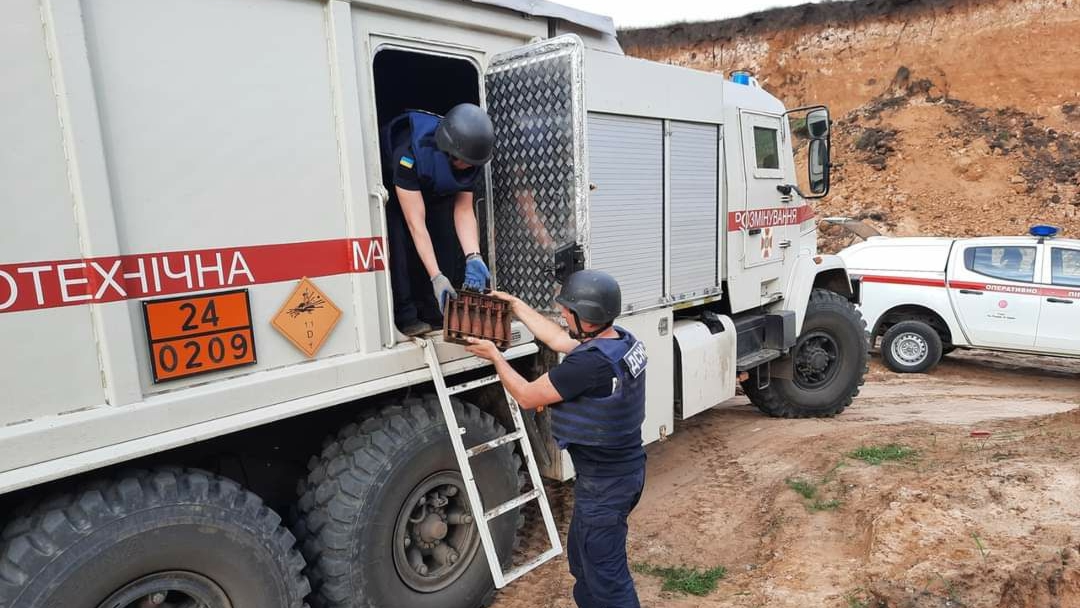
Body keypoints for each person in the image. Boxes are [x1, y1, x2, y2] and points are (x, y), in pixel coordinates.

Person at [465, 270, 647, 608]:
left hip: (606, 485)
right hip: (618, 475)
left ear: (587, 317)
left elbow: (527, 396)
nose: (562, 313)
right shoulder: (619, 341)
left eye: (568, 309)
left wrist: (496, 357)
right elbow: (558, 340)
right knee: (582, 560)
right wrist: (516, 305)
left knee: (608, 580)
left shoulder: (588, 366)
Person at [380, 103, 495, 336]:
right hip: (397, 185)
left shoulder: (470, 157)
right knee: (399, 241)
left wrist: (474, 256)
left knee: (444, 236)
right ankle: (406, 314)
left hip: (432, 186)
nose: (470, 168)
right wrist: (435, 276)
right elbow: (416, 224)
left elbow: (464, 210)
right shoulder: (408, 155)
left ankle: (436, 311)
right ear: (449, 151)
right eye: (466, 162)